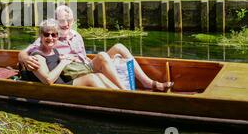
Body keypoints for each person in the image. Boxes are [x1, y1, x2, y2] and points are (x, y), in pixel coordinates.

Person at [19, 5, 174, 91]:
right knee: (102, 56)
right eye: (61, 20)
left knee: (119, 47)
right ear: (56, 22)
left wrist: (99, 65)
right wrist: (24, 57)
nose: (65, 24)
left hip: (85, 65)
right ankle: (125, 93)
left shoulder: (76, 35)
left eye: (69, 20)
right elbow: (25, 52)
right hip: (71, 70)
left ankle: (147, 83)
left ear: (73, 20)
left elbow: (85, 56)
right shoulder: (50, 38)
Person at [21, 19, 118, 89]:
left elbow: (54, 62)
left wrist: (69, 59)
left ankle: (122, 93)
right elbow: (48, 80)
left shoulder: (53, 50)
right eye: (46, 34)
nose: (50, 38)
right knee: (91, 78)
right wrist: (63, 63)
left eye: (54, 35)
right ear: (40, 36)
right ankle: (117, 99)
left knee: (99, 76)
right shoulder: (37, 56)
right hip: (57, 89)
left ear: (57, 36)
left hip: (64, 83)